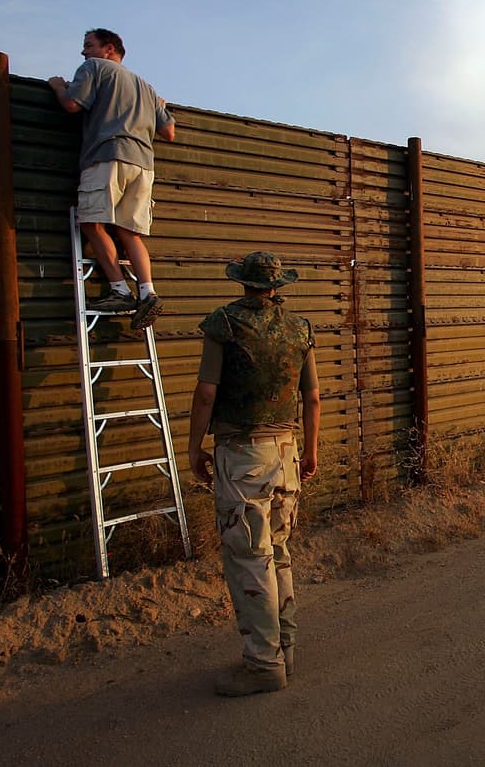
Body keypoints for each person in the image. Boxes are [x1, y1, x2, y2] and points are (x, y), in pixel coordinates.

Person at [187, 251, 321, 697]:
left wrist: (193, 447)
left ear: (243, 284)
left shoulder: (225, 324)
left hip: (243, 456)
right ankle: (285, 647)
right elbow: (313, 398)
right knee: (277, 551)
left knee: (249, 557)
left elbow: (207, 392)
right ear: (278, 286)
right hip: (287, 454)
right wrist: (310, 450)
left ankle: (263, 664)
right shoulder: (299, 329)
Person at [48, 28, 176, 331]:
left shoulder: (94, 68)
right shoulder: (146, 87)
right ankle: (148, 292)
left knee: (91, 222)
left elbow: (71, 104)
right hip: (144, 165)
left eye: (88, 46)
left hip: (108, 156)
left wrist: (57, 87)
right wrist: (159, 106)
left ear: (109, 49)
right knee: (130, 231)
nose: (83, 52)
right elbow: (169, 132)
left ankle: (119, 290)